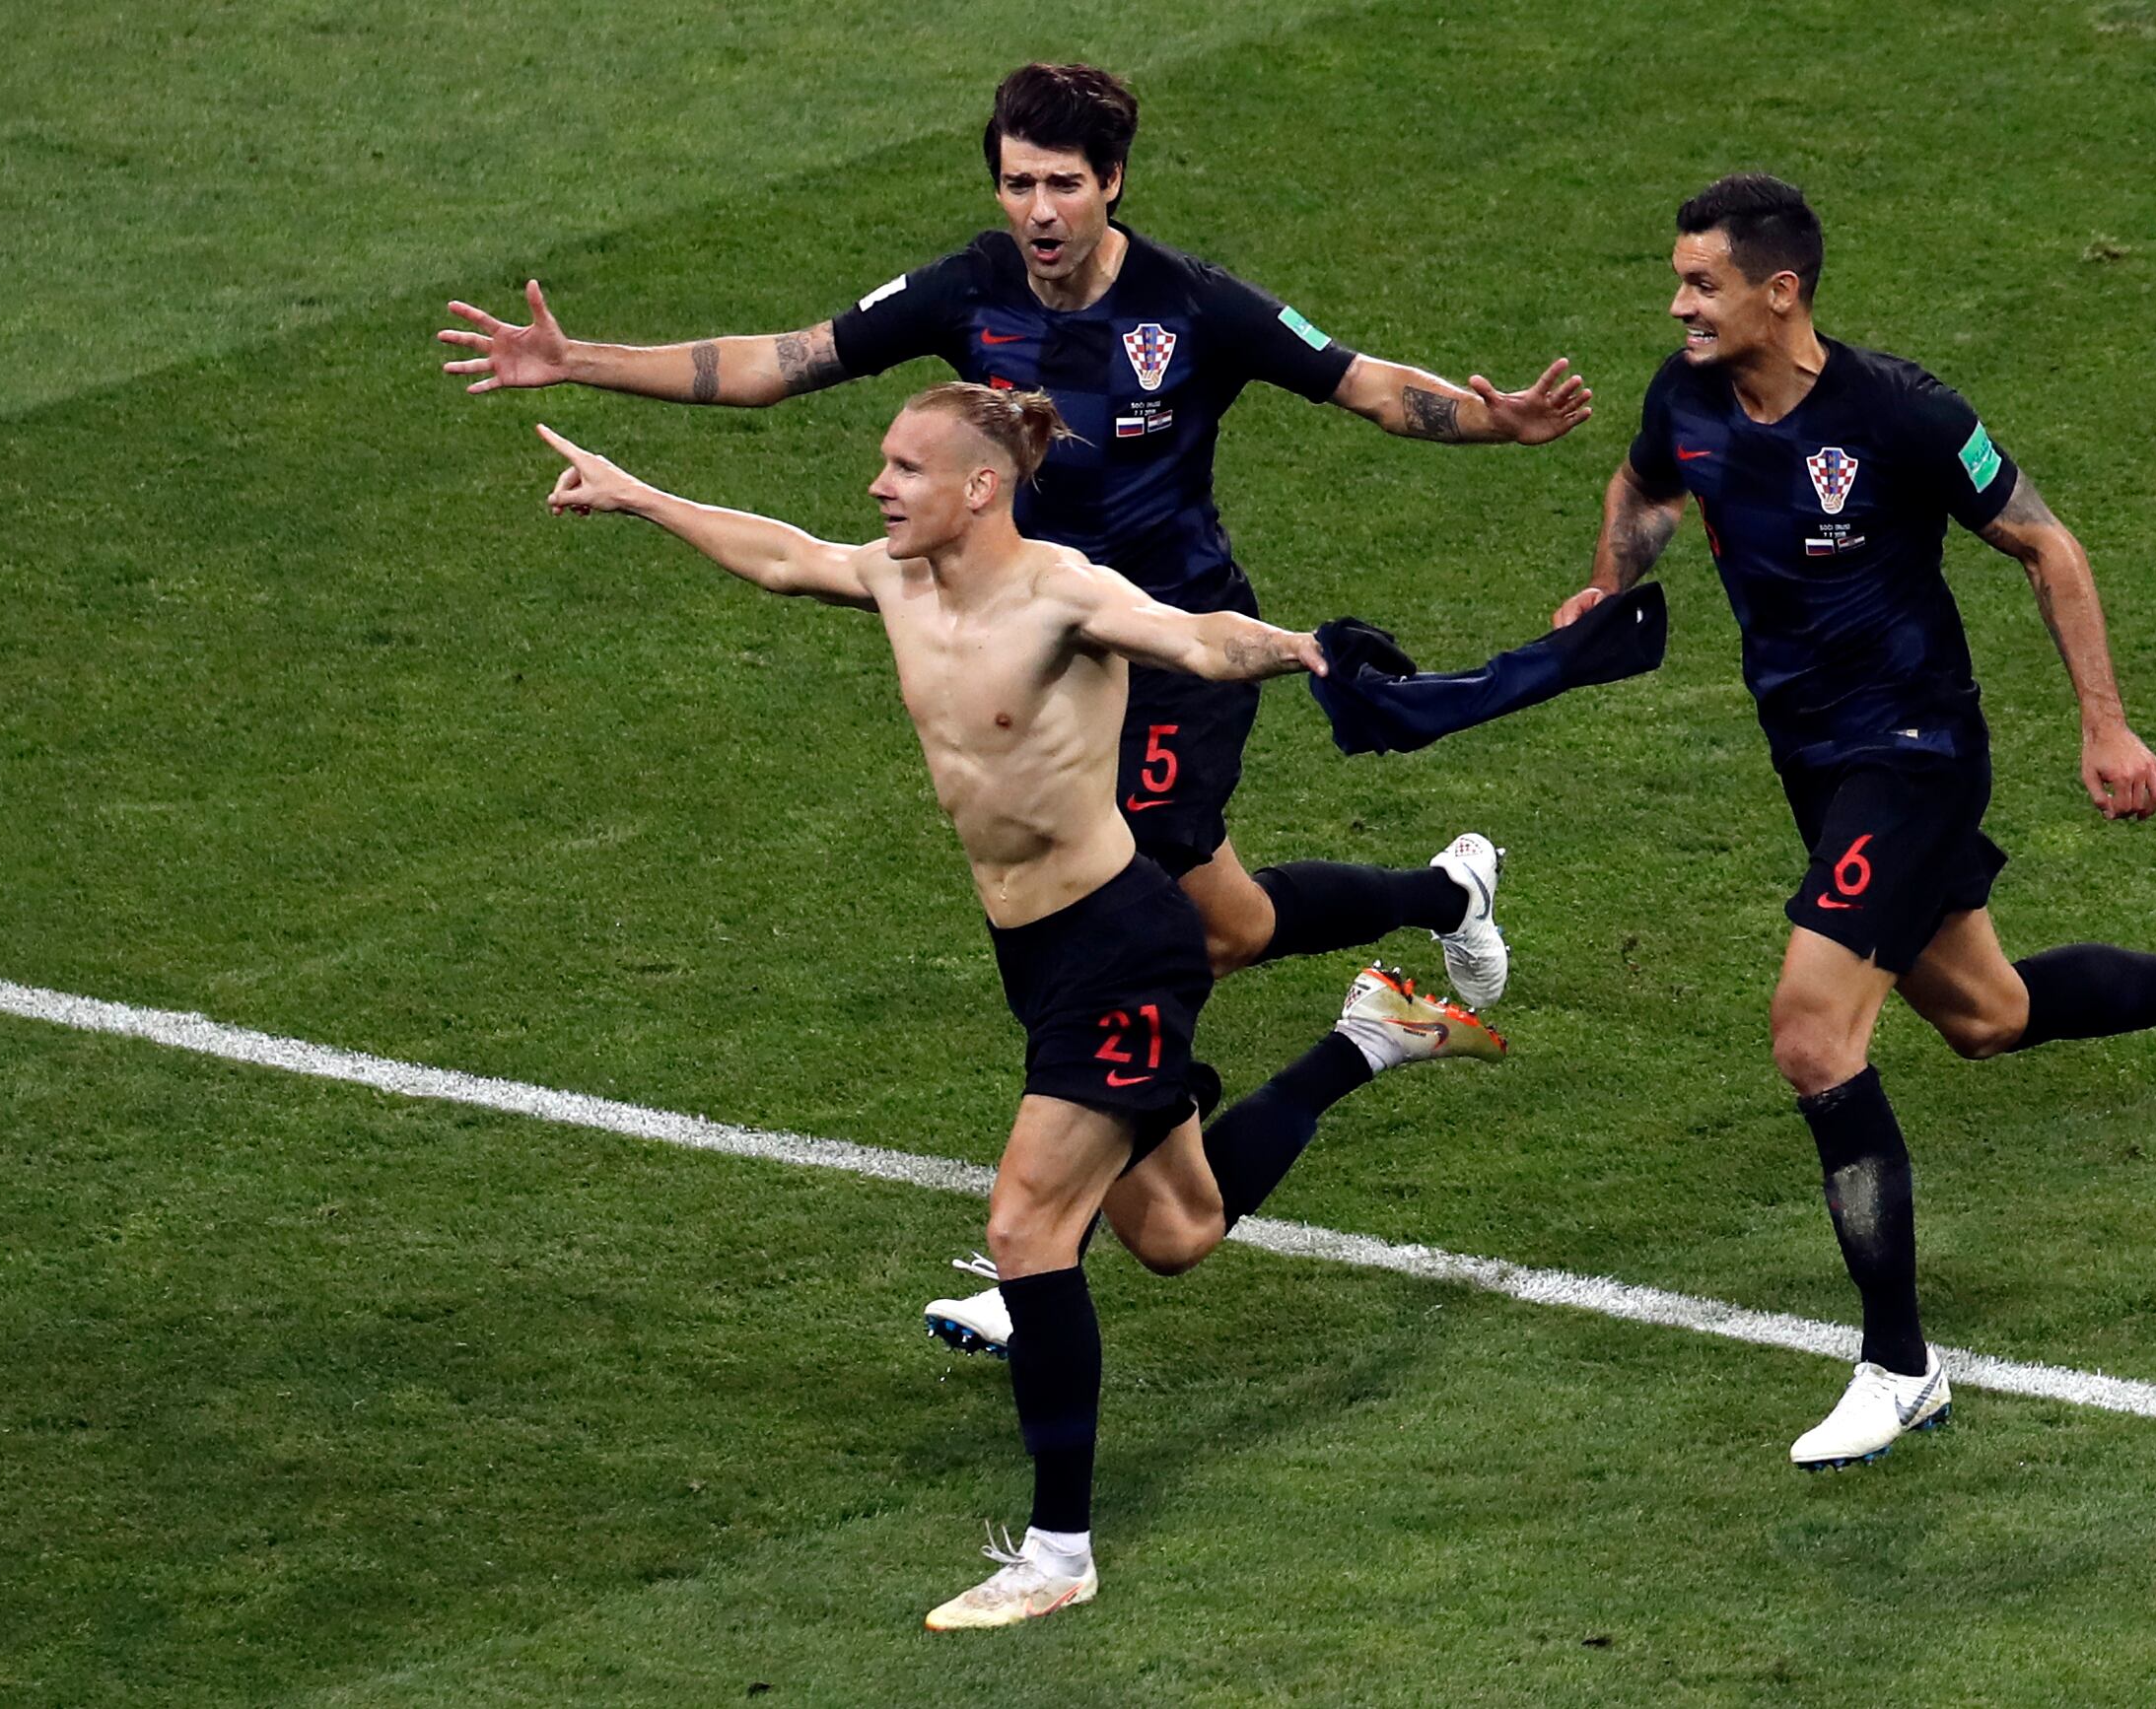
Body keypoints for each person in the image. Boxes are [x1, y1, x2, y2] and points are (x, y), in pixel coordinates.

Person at [443, 61, 1577, 1351]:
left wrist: (1491, 423)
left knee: (1146, 917)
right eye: (1018, 182)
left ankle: (1038, 1242)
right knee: (1226, 926)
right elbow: (780, 363)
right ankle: (1438, 904)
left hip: (1179, 652)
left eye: (1063, 184)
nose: (1038, 209)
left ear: (1112, 184)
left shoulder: (1190, 305)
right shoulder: (967, 291)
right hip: (1043, 663)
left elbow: (1365, 382)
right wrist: (572, 361)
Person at [533, 381, 1506, 1627]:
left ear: (979, 487)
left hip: (1120, 948)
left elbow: (1194, 638)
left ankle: (1058, 1555)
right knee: (1177, 1232)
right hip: (1035, 956)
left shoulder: (1061, 594)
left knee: (1026, 1230)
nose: (878, 486)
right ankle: (1370, 1035)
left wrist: (1303, 647)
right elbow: (782, 556)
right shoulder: (897, 580)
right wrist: (637, 495)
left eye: (904, 468)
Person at [1554, 173, 2156, 1471]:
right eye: (1678, 281)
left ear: (1779, 292)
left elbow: (2047, 546)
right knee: (1986, 1014)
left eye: (1701, 283)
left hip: (1911, 754)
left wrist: (2104, 725)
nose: (1678, 304)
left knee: (1811, 1034)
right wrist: (1605, 589)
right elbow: (1644, 488)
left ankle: (1899, 1366)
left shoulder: (1901, 413)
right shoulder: (1684, 395)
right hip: (1810, 758)